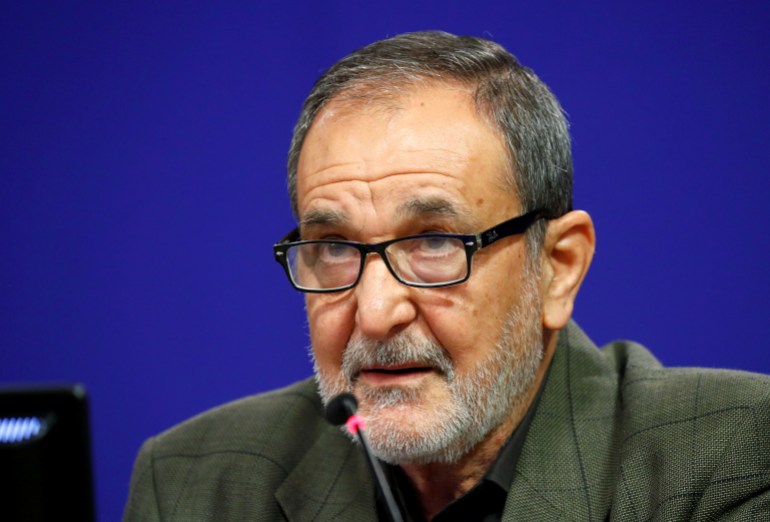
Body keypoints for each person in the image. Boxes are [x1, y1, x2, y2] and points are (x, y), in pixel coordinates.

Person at [124, 31, 770, 521]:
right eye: (334, 248)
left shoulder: (728, 457)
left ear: (558, 266)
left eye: (434, 242)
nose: (374, 313)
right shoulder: (193, 481)